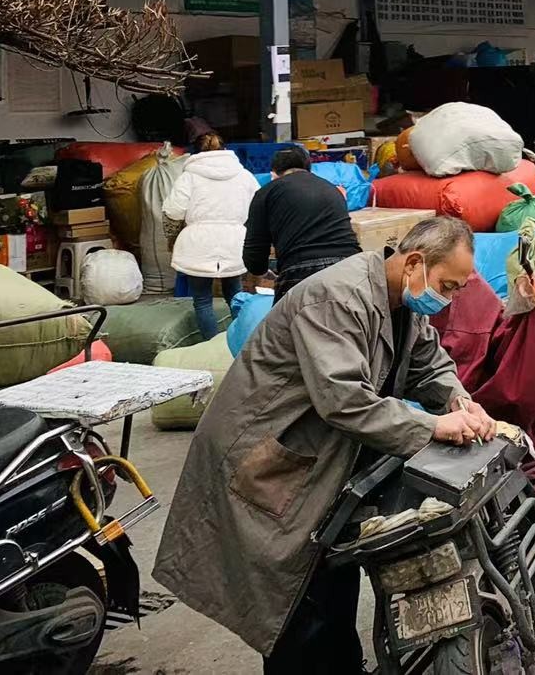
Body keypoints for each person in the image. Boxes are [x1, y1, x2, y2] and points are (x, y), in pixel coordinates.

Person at [155, 216, 495, 674]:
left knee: (333, 572)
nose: (448, 298)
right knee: (294, 592)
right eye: (448, 286)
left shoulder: (403, 302)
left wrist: (459, 399)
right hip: (271, 455)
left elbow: (429, 363)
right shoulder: (337, 298)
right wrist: (433, 427)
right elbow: (344, 400)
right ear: (415, 262)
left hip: (321, 451)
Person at [163, 132, 257, 340]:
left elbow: (173, 211)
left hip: (199, 243)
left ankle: (211, 345)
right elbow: (257, 207)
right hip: (234, 241)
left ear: (195, 152)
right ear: (224, 149)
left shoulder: (189, 177)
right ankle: (241, 342)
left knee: (203, 300)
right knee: (235, 296)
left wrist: (172, 236)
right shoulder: (244, 175)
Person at [242, 146, 361, 300]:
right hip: (350, 267)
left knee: (289, 323)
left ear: (274, 173)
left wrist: (259, 271)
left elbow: (254, 253)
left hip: (300, 271)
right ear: (309, 168)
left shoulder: (266, 193)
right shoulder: (333, 189)